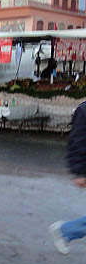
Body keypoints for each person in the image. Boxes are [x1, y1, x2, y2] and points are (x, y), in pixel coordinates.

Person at [50, 101, 86, 254]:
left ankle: (65, 231)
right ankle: (65, 230)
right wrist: (79, 172)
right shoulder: (84, 110)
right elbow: (77, 142)